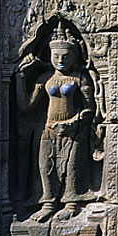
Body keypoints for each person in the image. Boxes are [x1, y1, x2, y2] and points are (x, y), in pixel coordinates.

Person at [15, 21, 97, 222]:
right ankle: (48, 203)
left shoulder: (79, 78)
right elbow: (26, 106)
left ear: (74, 56)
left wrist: (72, 122)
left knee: (72, 167)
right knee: (45, 166)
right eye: (56, 56)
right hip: (49, 129)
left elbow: (89, 109)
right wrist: (20, 78)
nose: (61, 60)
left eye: (66, 56)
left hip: (73, 131)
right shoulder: (45, 79)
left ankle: (71, 203)